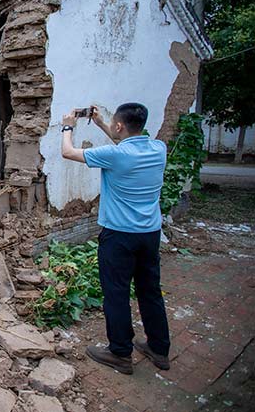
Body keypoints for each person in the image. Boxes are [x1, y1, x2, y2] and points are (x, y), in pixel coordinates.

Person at [60, 103, 171, 375]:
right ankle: (159, 348)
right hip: (150, 234)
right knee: (150, 290)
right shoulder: (159, 149)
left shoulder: (115, 155)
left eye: (114, 125)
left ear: (119, 126)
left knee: (117, 293)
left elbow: (67, 152)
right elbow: (125, 147)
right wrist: (100, 123)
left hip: (119, 236)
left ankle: (120, 352)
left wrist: (67, 127)